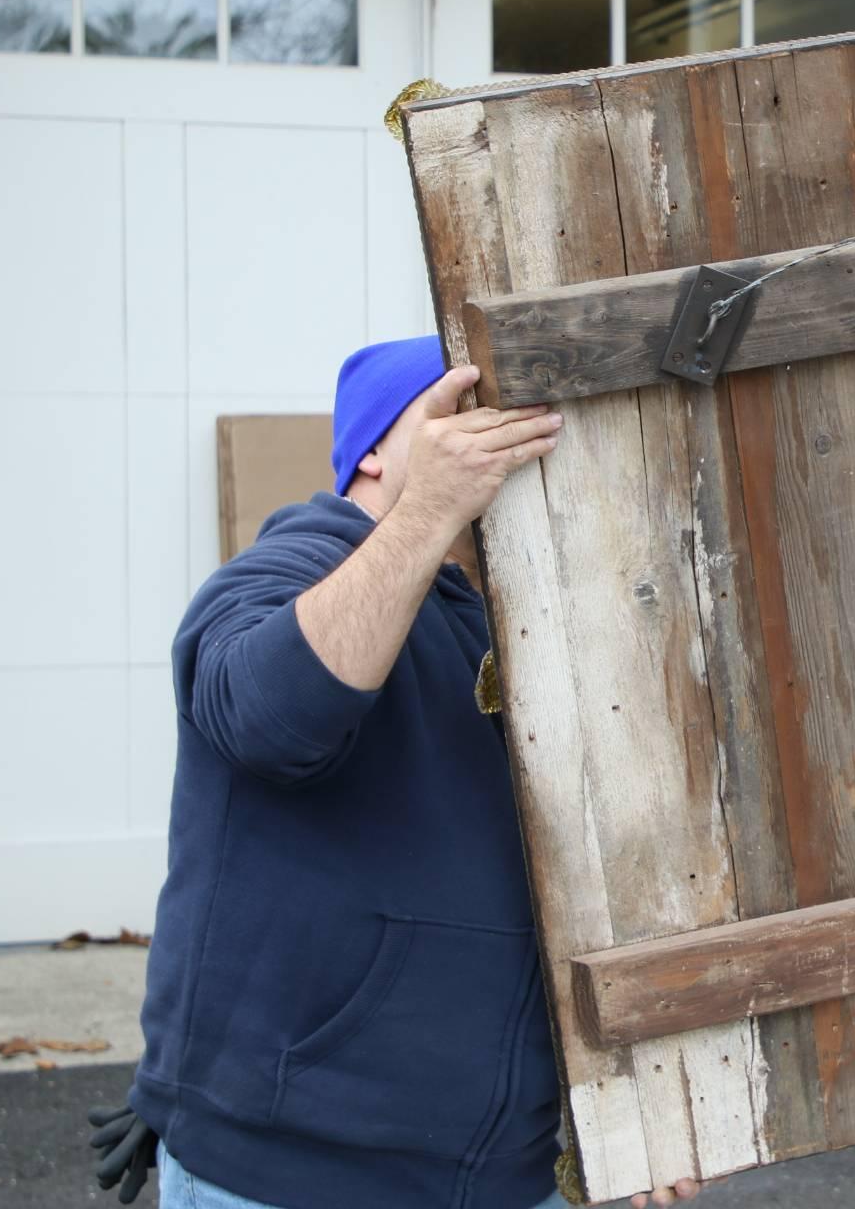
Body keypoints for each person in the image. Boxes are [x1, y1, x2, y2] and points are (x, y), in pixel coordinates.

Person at [93, 339, 699, 1208]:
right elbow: (268, 720)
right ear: (374, 449)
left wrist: (638, 1110)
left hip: (503, 1174)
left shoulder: (523, 626)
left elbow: (612, 881)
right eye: (463, 415)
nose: (502, 440)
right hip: (300, 1180)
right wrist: (425, 514)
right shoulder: (285, 567)